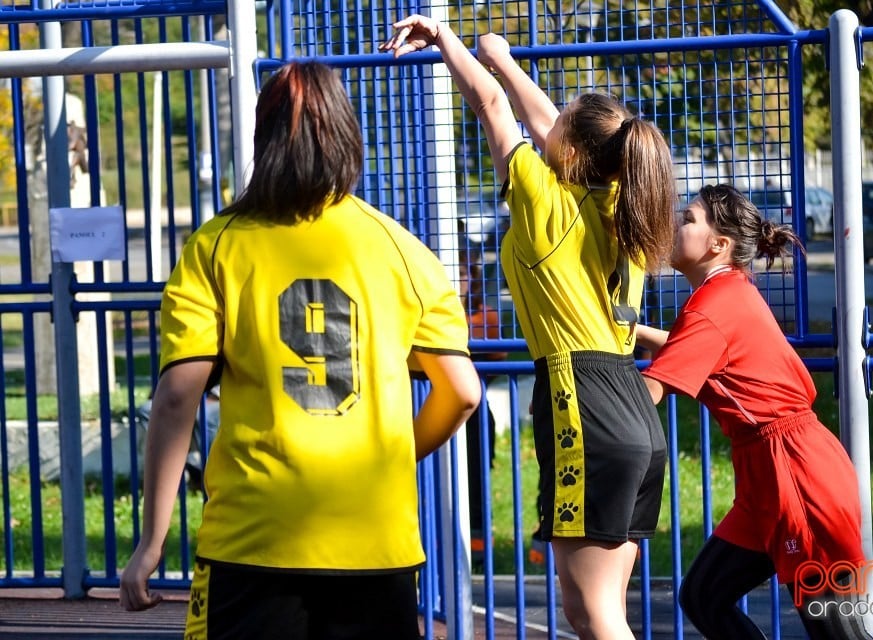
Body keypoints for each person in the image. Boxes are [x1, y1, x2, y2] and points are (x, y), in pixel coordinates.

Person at [118, 60, 481, 640]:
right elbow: (462, 394)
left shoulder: (217, 246)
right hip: (374, 540)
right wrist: (389, 457)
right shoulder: (402, 251)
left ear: (263, 141)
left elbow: (176, 397)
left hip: (253, 539)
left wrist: (151, 541)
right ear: (346, 136)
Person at [382, 18, 675, 639]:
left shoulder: (545, 204)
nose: (548, 124)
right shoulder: (622, 202)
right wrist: (502, 55)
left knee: (596, 615)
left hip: (584, 405)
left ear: (568, 154)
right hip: (633, 412)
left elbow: (490, 102)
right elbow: (548, 124)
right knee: (589, 610)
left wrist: (445, 38)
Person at [636, 184, 873, 640]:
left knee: (837, 633)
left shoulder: (711, 307)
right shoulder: (723, 293)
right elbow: (697, 348)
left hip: (797, 476)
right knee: (703, 596)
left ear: (718, 244)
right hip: (771, 473)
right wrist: (633, 331)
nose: (674, 226)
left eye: (687, 220)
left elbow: (650, 390)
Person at [458, 246, 507, 559]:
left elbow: (500, 356)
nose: (457, 281)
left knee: (476, 473)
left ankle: (477, 549)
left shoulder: (483, 314)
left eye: (462, 275)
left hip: (475, 410)